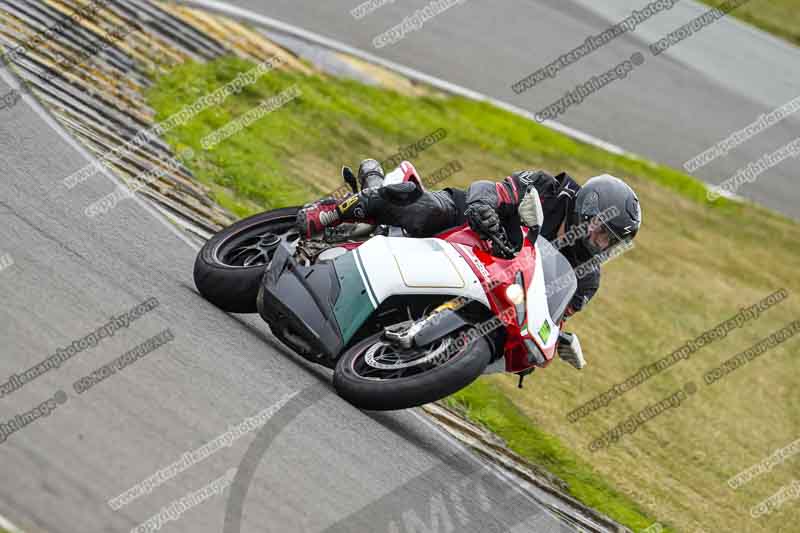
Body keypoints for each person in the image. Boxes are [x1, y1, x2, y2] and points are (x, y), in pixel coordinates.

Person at [296, 159, 642, 364]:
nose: (601, 243)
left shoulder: (586, 279)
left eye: (611, 240)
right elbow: (491, 188)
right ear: (588, 209)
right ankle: (330, 213)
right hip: (465, 226)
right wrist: (483, 207)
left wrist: (557, 338)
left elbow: (555, 314)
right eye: (602, 231)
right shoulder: (548, 189)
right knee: (424, 211)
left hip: (494, 283)